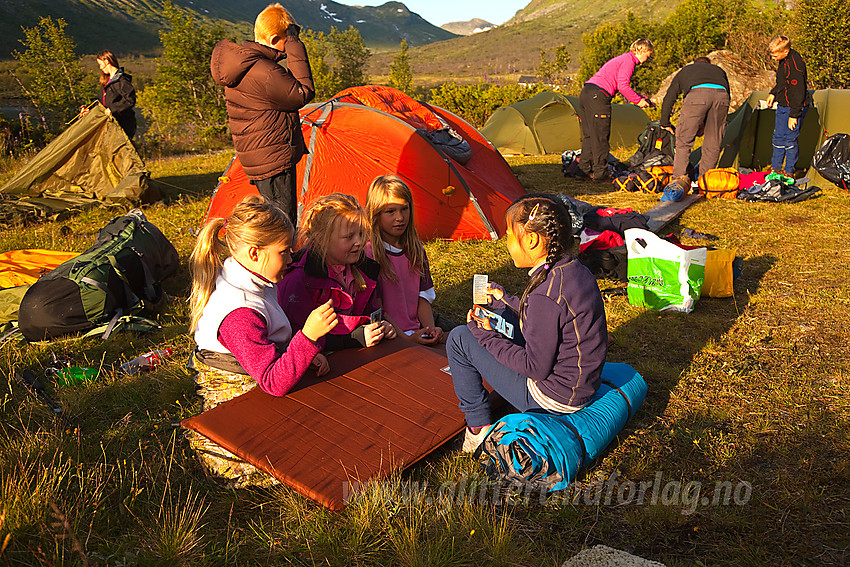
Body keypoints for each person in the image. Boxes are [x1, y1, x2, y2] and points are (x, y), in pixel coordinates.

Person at [188, 196, 338, 485]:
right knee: (300, 448)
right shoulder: (239, 312)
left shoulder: (251, 275)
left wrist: (304, 353)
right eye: (284, 252)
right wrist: (307, 338)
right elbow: (272, 382)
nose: (291, 259)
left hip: (255, 367)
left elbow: (271, 339)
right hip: (236, 385)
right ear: (255, 253)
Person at [446, 195, 608, 453]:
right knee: (502, 321)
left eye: (509, 234)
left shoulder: (545, 294)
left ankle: (478, 428)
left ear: (531, 240)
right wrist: (506, 300)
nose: (506, 241)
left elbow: (535, 368)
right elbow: (546, 319)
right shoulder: (572, 270)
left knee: (459, 338)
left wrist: (487, 337)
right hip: (581, 383)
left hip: (553, 398)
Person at [211, 3, 314, 222]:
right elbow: (302, 93)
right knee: (283, 223)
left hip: (259, 156)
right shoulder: (264, 70)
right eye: (287, 40)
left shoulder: (245, 65)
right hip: (273, 157)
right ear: (275, 39)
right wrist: (296, 44)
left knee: (272, 218)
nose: (287, 49)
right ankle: (282, 255)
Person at [278, 193, 397, 351]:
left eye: (361, 234)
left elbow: (369, 311)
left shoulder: (362, 270)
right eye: (349, 237)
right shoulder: (301, 279)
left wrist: (379, 327)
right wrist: (354, 338)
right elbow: (296, 336)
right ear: (322, 239)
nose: (359, 242)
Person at [364, 174, 451, 345]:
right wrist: (409, 340)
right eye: (390, 211)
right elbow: (378, 310)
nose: (400, 218)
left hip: (417, 329)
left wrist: (430, 330)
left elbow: (423, 298)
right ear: (375, 214)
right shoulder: (370, 254)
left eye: (404, 209)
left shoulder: (416, 250)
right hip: (389, 335)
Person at [578, 39, 654, 183]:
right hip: (599, 97)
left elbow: (619, 84)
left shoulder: (622, 58)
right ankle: (601, 174)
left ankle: (583, 170)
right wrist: (637, 101)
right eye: (648, 56)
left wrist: (643, 98)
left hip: (587, 93)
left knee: (590, 135)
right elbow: (623, 86)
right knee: (600, 136)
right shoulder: (629, 61)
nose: (646, 60)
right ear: (642, 50)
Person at [659, 56, 731, 187]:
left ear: (694, 64)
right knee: (714, 142)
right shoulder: (719, 70)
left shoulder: (687, 70)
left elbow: (670, 97)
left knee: (684, 141)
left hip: (697, 95)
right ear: (709, 64)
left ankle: (678, 181)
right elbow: (727, 95)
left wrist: (664, 122)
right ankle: (705, 182)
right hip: (722, 97)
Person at [765, 35, 808, 177]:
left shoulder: (795, 65)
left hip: (794, 108)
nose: (773, 58)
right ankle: (776, 168)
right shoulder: (783, 61)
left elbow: (798, 92)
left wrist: (794, 115)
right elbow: (782, 82)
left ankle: (789, 171)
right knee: (778, 137)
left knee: (790, 139)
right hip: (783, 105)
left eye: (775, 55)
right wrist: (773, 93)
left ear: (785, 52)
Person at [93, 50, 137, 139]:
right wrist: (88, 109)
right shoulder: (107, 81)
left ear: (106, 62)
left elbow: (130, 100)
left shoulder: (122, 81)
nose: (100, 68)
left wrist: (112, 109)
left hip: (123, 124)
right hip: (110, 124)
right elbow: (103, 102)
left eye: (100, 64)